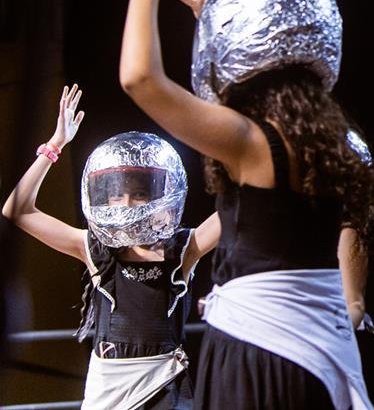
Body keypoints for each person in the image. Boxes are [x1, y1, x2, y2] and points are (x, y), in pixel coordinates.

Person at [120, 0, 374, 409]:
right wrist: (210, 29)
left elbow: (140, 79)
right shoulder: (332, 145)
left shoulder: (250, 142)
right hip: (321, 350)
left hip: (259, 349)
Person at [2, 85, 219, 409]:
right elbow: (17, 210)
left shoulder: (182, 250)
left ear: (161, 197)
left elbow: (237, 206)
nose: (126, 204)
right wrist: (55, 144)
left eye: (139, 195)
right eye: (117, 195)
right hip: (109, 387)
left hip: (163, 385)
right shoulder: (96, 250)